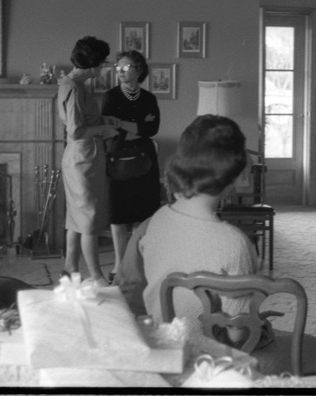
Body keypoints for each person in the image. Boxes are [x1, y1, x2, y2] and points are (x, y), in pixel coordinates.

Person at [130, 115, 258, 334]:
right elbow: (237, 334)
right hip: (208, 350)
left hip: (161, 339)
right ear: (233, 174)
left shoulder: (157, 220)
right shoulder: (235, 242)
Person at [57, 36, 120, 285]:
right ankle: (97, 277)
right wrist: (104, 130)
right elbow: (76, 131)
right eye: (103, 62)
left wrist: (103, 122)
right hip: (82, 158)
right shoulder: (73, 87)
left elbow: (81, 123)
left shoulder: (73, 84)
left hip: (84, 156)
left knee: (78, 218)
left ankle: (70, 269)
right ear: (94, 64)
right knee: (89, 219)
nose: (104, 67)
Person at [101, 50, 161, 283]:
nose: (120, 71)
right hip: (117, 158)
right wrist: (136, 127)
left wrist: (123, 123)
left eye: (126, 68)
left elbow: (152, 129)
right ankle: (119, 264)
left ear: (139, 70)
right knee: (118, 213)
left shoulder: (149, 99)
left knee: (143, 214)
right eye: (118, 67)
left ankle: (136, 264)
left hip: (145, 160)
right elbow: (110, 128)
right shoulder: (111, 97)